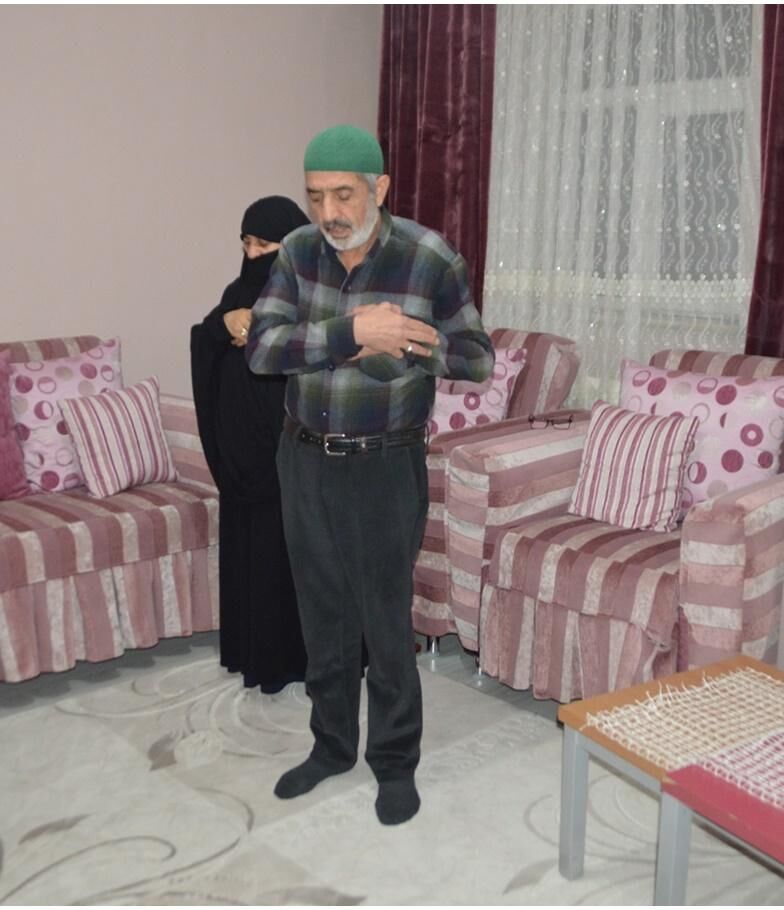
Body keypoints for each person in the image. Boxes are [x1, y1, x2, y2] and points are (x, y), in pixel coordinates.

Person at [246, 125, 493, 825]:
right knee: (321, 615)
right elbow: (261, 349)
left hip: (384, 464)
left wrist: (407, 344)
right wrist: (351, 334)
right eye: (316, 195)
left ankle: (393, 760)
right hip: (302, 458)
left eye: (343, 194)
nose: (328, 212)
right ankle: (330, 747)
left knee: (384, 622)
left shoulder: (428, 257)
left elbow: (476, 358)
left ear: (379, 188)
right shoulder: (296, 253)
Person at [190, 195, 311, 694]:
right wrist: (224, 325)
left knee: (288, 552)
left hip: (289, 452)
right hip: (242, 454)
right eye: (246, 243)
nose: (252, 254)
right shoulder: (236, 290)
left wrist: (264, 332)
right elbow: (204, 341)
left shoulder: (311, 294)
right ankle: (251, 652)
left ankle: (293, 659)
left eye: (264, 245)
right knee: (251, 550)